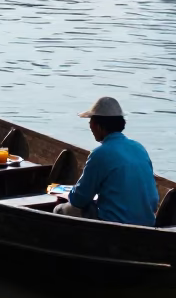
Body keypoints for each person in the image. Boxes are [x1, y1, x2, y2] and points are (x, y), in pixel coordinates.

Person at [53, 97, 159, 226]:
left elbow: (79, 199)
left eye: (91, 121)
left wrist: (68, 195)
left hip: (114, 225)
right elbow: (153, 200)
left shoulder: (100, 154)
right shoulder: (139, 148)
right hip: (147, 223)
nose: (90, 126)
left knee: (59, 210)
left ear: (98, 126)